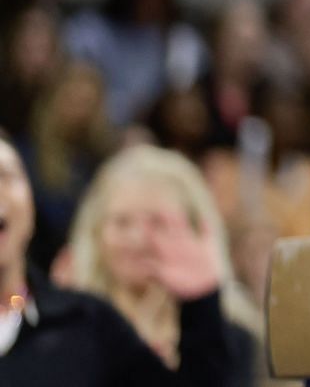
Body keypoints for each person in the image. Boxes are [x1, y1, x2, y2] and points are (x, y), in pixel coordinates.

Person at [0, 131, 234, 385]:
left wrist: (201, 309)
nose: (138, 239)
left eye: (5, 175)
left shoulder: (87, 323)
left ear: (31, 203)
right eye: (122, 222)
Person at [59, 144, 262, 386]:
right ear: (96, 232)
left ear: (196, 231)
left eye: (157, 223)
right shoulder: (67, 332)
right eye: (122, 222)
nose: (139, 239)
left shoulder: (232, 339)